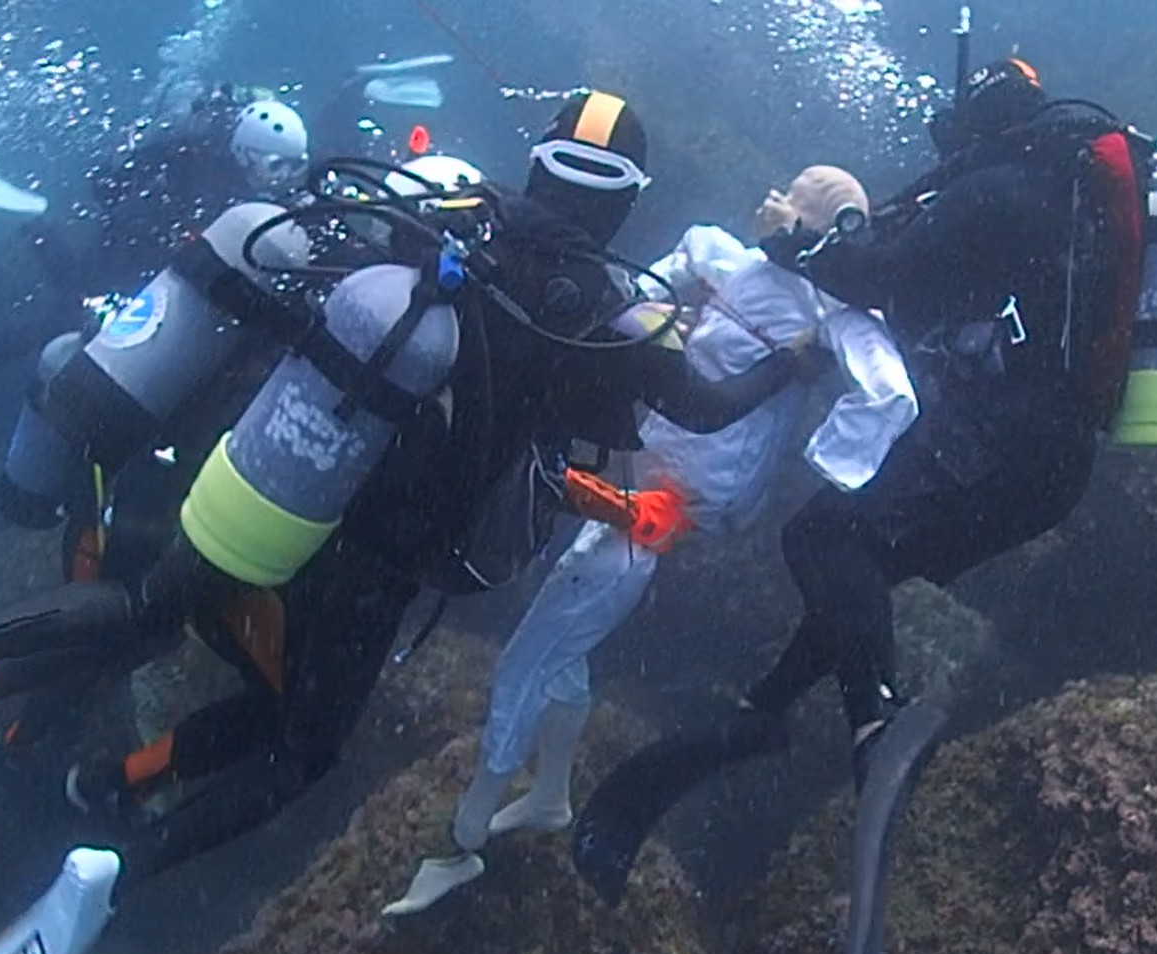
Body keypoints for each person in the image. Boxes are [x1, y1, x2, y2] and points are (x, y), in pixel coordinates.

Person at [0, 89, 822, 954]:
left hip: (281, 479)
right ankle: (115, 871)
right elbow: (703, 402)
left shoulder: (449, 212)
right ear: (630, 199)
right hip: (375, 564)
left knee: (145, 614)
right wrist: (793, 354)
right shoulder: (620, 312)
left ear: (538, 160)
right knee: (300, 746)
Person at [571, 58, 1157, 954]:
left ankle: (873, 720)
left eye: (951, 133)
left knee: (823, 539)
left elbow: (884, 271)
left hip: (1008, 442)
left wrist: (794, 247)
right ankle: (767, 709)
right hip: (1050, 463)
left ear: (982, 125)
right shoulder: (1060, 190)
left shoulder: (1002, 186)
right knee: (861, 561)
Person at [380, 165, 920, 915]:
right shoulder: (727, 259)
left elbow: (890, 391)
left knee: (528, 658)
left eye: (796, 201)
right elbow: (642, 293)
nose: (775, 202)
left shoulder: (833, 315)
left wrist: (833, 460)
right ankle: (550, 794)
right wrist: (656, 307)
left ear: (818, 230)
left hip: (670, 504)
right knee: (566, 636)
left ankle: (462, 839)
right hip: (636, 470)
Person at [0, 86, 313, 486]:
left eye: (296, 166)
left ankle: (33, 223)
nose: (286, 178)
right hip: (127, 256)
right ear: (246, 152)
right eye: (277, 166)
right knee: (66, 318)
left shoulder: (228, 173)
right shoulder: (207, 171)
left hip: (140, 255)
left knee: (71, 297)